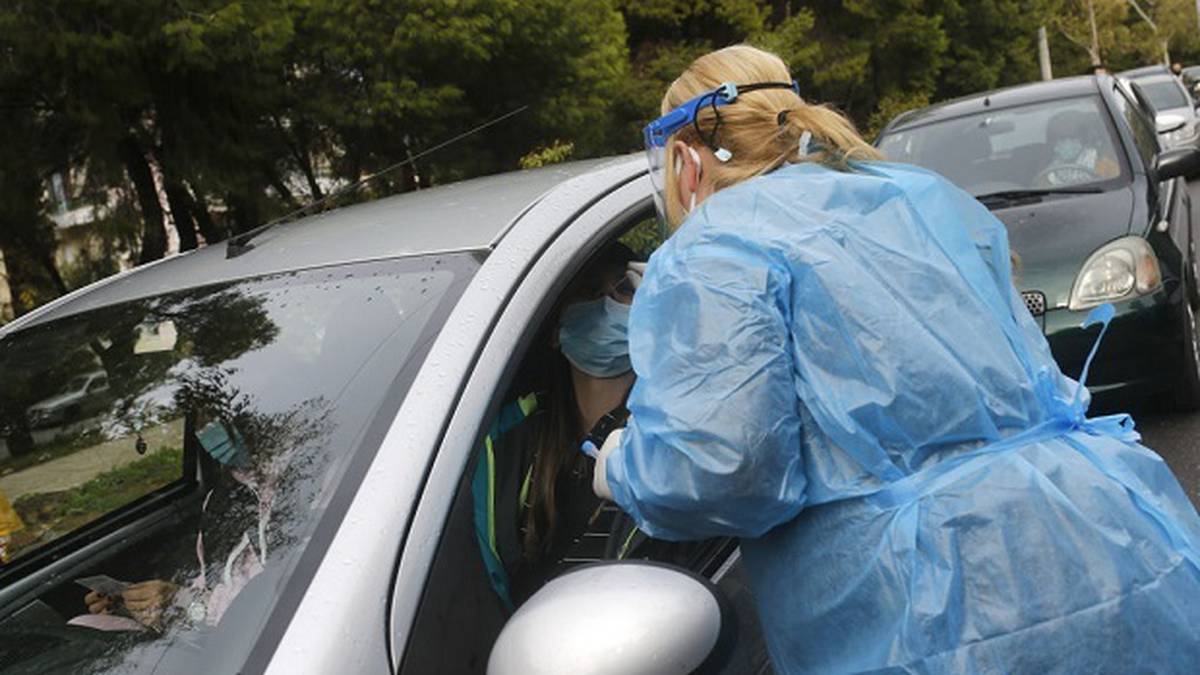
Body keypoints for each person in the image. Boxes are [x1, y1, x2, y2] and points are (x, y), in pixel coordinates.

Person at [591, 44, 1200, 673]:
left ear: (685, 158)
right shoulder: (907, 196)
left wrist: (625, 470)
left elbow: (725, 469)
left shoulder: (713, 252)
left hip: (930, 608)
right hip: (1101, 541)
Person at [471, 242, 642, 609]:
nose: (607, 304)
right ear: (554, 327)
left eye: (624, 290)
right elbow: (488, 590)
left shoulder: (673, 425)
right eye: (589, 294)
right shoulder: (502, 441)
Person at [1039, 109, 1120, 186]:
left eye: (1070, 138)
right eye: (1058, 140)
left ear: (1081, 139)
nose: (1063, 144)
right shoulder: (1048, 175)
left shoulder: (1104, 164)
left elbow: (1117, 188)